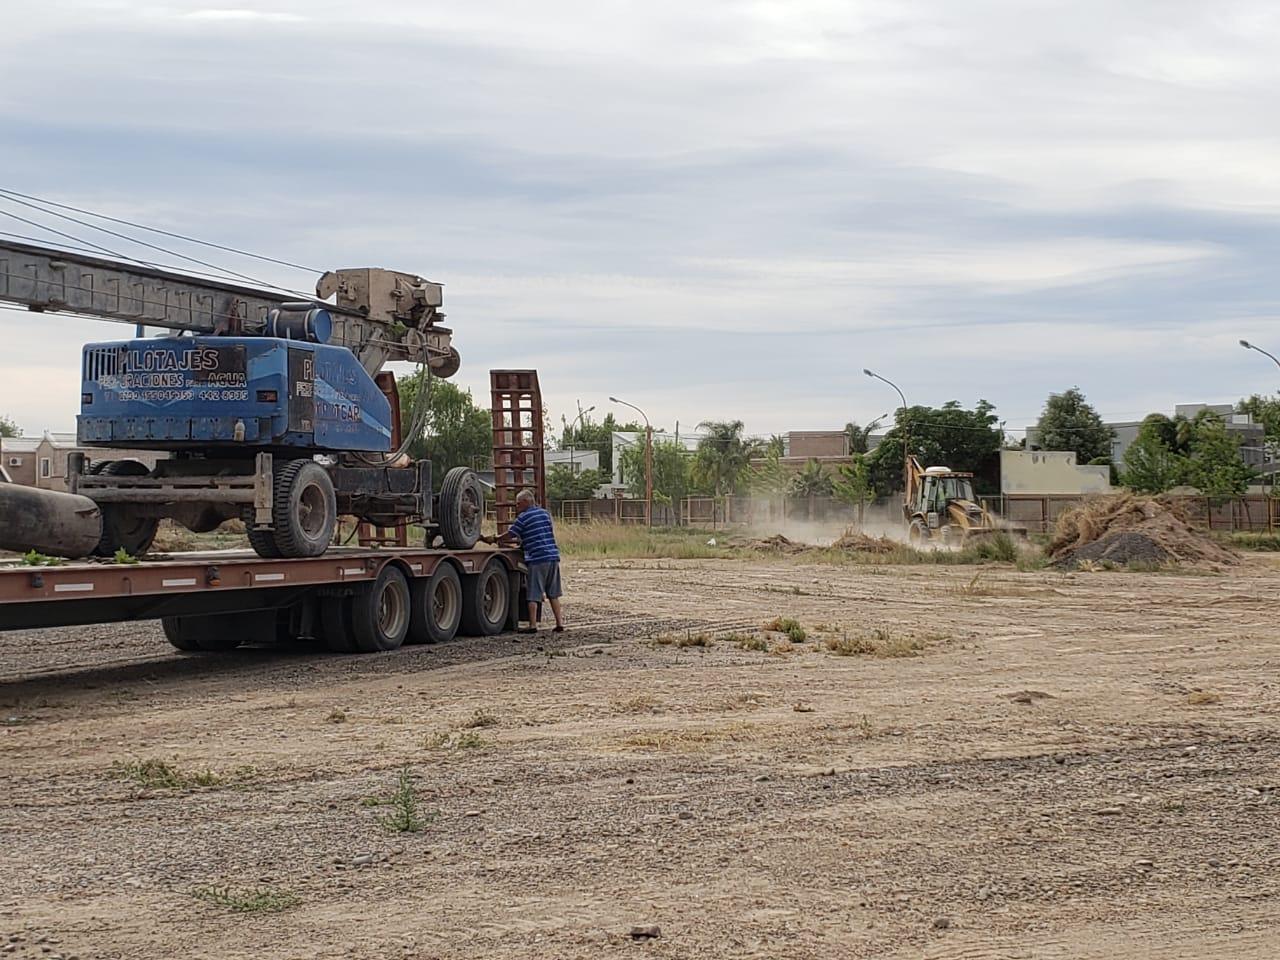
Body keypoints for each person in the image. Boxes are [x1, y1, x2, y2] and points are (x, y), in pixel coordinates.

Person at [497, 489, 565, 633]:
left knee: (533, 594)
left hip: (537, 558)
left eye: (518, 503)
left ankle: (532, 625)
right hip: (553, 556)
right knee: (553, 593)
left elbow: (511, 534)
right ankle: (559, 624)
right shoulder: (545, 513)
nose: (516, 506)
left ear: (525, 502)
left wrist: (496, 539)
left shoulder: (523, 518)